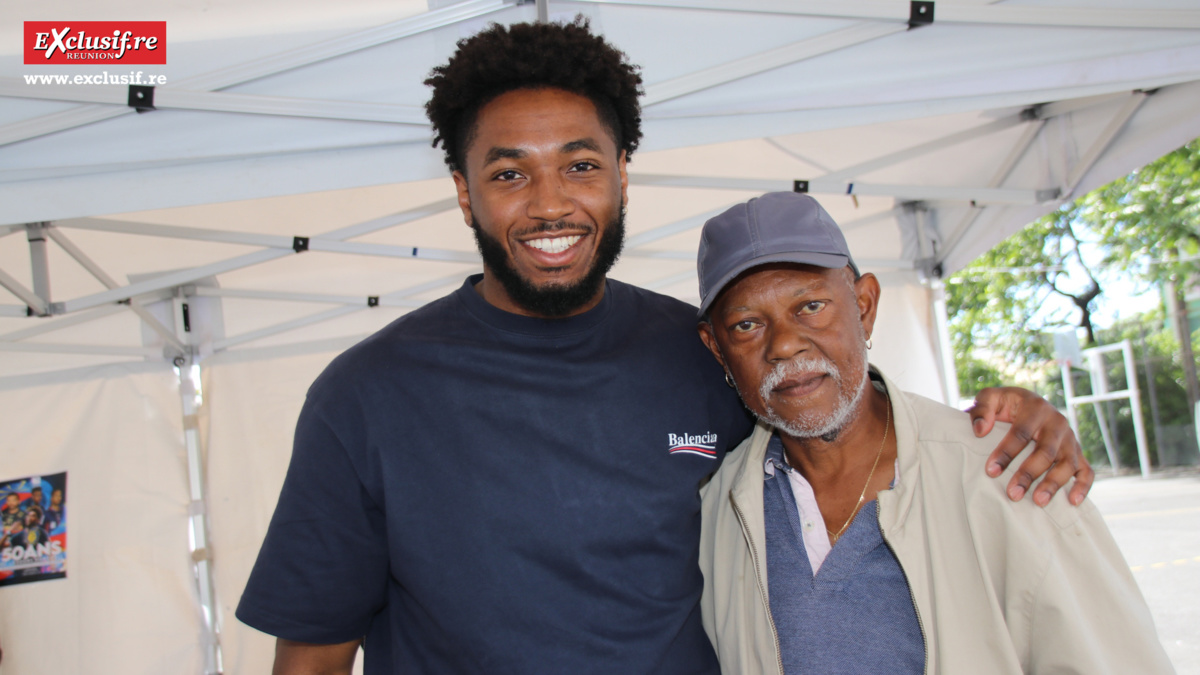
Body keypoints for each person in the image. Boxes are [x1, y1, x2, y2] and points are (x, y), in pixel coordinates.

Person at [237, 19, 1093, 675]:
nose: (548, 204)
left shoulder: (707, 352)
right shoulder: (367, 394)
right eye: (508, 174)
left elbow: (845, 417)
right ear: (463, 194)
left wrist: (1008, 419)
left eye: (580, 165)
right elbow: (312, 652)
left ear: (620, 176)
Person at [695, 192, 1171, 674]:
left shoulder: (1012, 473)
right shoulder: (716, 505)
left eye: (812, 306)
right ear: (717, 349)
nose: (785, 344)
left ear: (864, 306)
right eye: (747, 325)